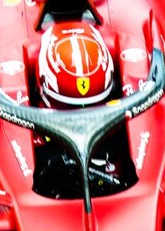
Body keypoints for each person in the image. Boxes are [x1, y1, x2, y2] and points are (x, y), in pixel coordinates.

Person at [31, 20, 136, 198]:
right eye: (73, 108)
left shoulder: (120, 134)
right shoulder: (39, 143)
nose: (83, 119)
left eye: (91, 105)